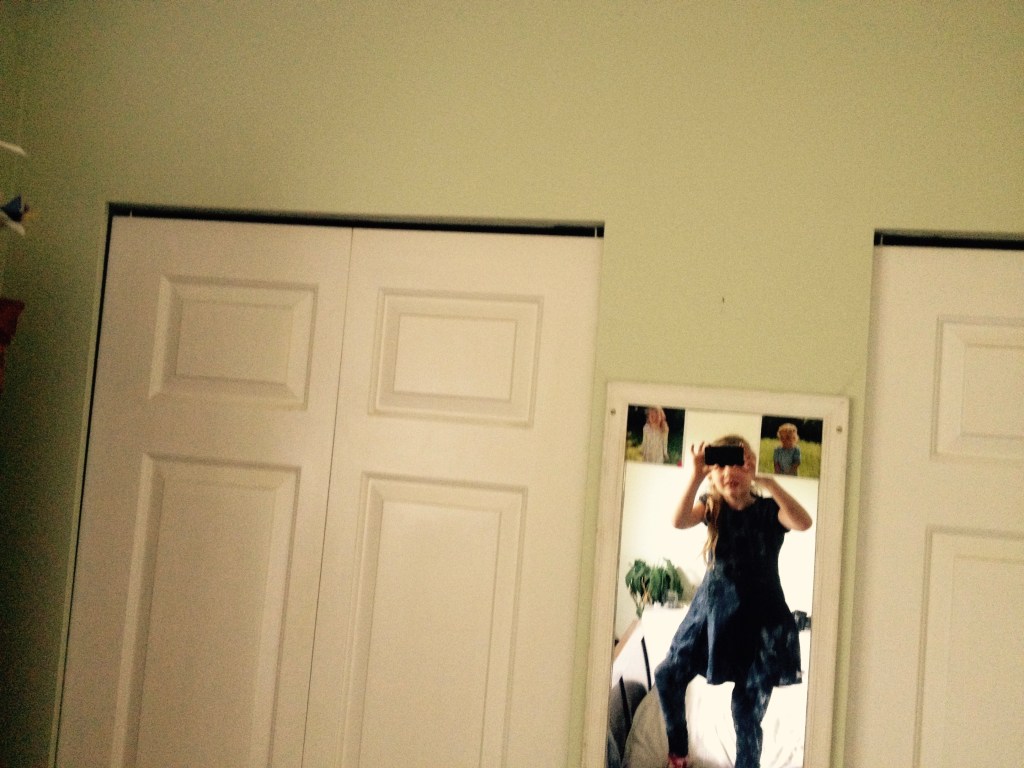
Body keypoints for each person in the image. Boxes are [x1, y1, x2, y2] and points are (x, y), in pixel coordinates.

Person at [654, 435, 812, 768]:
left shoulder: (769, 510)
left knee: (745, 710)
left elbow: (803, 522)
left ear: (750, 466)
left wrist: (768, 481)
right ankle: (678, 755)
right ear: (712, 473)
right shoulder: (712, 507)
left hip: (761, 623)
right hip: (712, 614)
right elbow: (678, 521)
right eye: (720, 465)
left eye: (738, 462)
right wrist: (695, 475)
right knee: (668, 675)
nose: (729, 472)